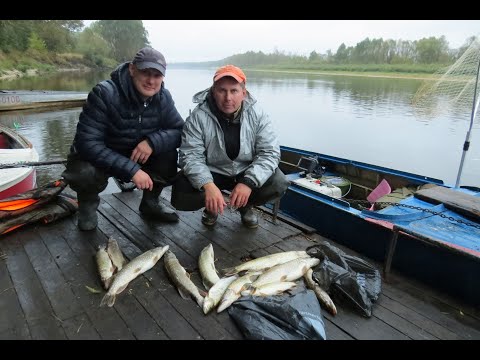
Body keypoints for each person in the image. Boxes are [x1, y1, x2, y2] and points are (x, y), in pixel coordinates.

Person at [62, 47, 184, 231]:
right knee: (84, 171)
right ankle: (87, 207)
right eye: (145, 73)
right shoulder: (104, 93)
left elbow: (178, 130)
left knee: (167, 155)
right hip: (104, 155)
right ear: (132, 69)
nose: (151, 81)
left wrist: (152, 142)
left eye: (157, 75)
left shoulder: (163, 97)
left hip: (137, 153)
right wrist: (132, 170)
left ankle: (150, 203)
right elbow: (87, 143)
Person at [171, 64, 289, 228]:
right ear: (213, 91)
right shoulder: (198, 116)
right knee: (181, 187)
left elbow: (270, 153)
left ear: (243, 93)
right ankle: (211, 206)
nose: (228, 98)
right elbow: (190, 156)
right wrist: (208, 185)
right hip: (213, 173)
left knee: (278, 182)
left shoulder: (258, 114)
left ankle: (245, 205)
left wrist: (248, 183)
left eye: (234, 91)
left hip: (244, 171)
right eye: (222, 90)